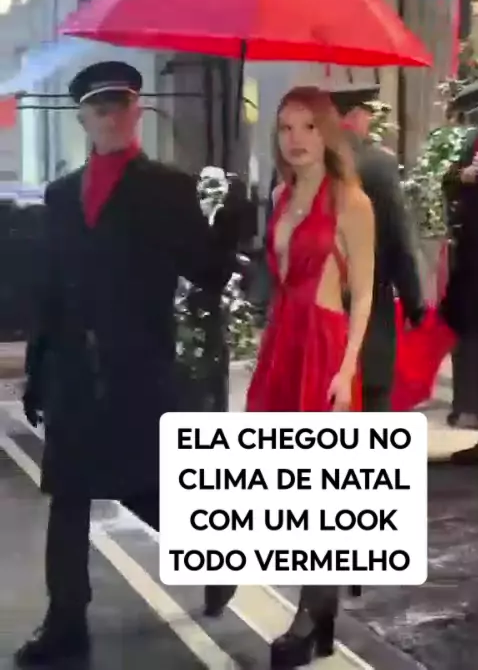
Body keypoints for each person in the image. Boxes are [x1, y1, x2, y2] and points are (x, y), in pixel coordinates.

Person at [17, 61, 248, 667]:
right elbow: (50, 288)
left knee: (148, 491)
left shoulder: (169, 188)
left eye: (120, 104)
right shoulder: (61, 195)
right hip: (72, 373)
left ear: (136, 110)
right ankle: (65, 622)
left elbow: (206, 273)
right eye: (99, 107)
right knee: (68, 498)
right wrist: (38, 371)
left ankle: (216, 556)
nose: (110, 116)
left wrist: (231, 224)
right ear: (82, 118)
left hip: (138, 370)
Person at [205, 85, 375, 667]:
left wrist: (347, 368)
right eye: (285, 128)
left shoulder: (351, 201)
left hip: (325, 347)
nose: (296, 139)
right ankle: (318, 611)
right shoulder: (279, 195)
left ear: (327, 132)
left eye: (307, 127)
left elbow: (364, 294)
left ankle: (311, 613)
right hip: (283, 341)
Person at [331, 84, 425, 411]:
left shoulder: (301, 163)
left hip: (315, 311)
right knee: (372, 400)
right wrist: (414, 303)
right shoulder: (377, 165)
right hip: (369, 303)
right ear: (355, 116)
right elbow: (398, 237)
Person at [441, 123, 478, 460]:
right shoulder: (471, 141)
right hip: (470, 255)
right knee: (466, 334)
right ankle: (468, 408)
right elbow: (448, 178)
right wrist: (462, 176)